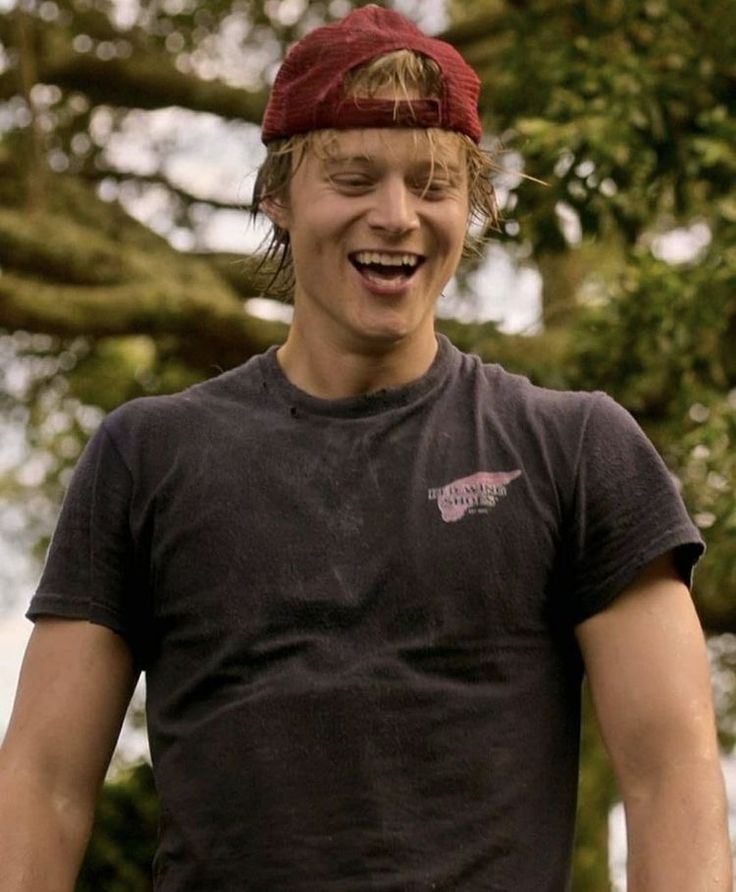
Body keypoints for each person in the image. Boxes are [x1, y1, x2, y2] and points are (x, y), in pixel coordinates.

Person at [0, 6, 731, 891]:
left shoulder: (576, 449)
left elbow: (672, 776)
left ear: (474, 206)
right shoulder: (148, 454)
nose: (396, 217)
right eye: (353, 179)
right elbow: (42, 785)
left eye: (432, 186)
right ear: (277, 194)